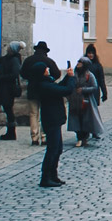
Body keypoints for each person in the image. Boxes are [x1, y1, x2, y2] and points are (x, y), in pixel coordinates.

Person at [37, 58, 76, 187]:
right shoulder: (43, 85)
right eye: (45, 69)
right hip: (51, 119)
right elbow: (66, 90)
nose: (48, 70)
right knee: (53, 149)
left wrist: (66, 77)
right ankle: (46, 177)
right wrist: (71, 78)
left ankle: (53, 175)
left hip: (54, 119)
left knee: (57, 149)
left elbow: (58, 87)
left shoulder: (46, 83)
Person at [21, 42, 50, 145]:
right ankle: (44, 136)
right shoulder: (48, 61)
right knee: (44, 114)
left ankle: (34, 137)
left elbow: (22, 73)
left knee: (33, 114)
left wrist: (31, 77)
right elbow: (57, 73)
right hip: (45, 90)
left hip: (32, 89)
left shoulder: (29, 60)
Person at [69, 56, 102, 146]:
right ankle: (79, 137)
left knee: (85, 120)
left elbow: (94, 87)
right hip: (75, 100)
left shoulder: (89, 75)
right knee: (76, 119)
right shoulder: (74, 74)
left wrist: (83, 89)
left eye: (80, 63)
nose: (78, 64)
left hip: (86, 101)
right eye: (78, 62)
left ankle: (84, 137)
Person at [0, 41, 23, 140]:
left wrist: (0, 78)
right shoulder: (7, 58)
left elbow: (14, 75)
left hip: (9, 89)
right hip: (6, 89)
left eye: (9, 47)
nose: (7, 48)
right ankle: (10, 132)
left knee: (8, 110)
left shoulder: (14, 60)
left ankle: (11, 133)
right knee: (8, 109)